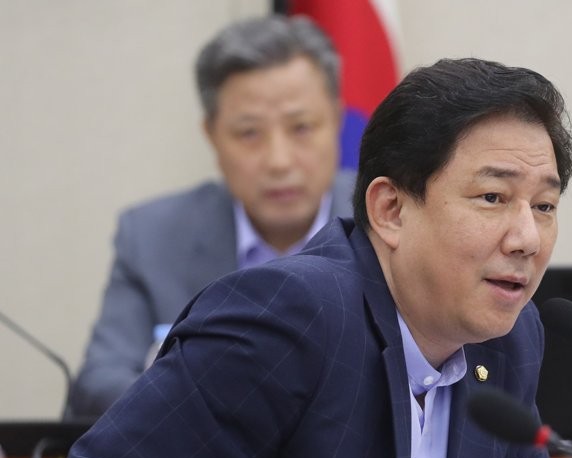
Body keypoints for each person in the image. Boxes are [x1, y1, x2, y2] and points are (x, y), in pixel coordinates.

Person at [31, 56, 572, 458]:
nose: (526, 237)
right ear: (391, 210)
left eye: (544, 205)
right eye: (492, 198)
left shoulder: (508, 339)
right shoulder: (293, 319)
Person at [66, 15, 356, 420]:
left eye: (302, 127)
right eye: (249, 133)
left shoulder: (389, 226)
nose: (279, 161)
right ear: (212, 136)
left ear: (337, 121)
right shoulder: (151, 236)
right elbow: (100, 382)